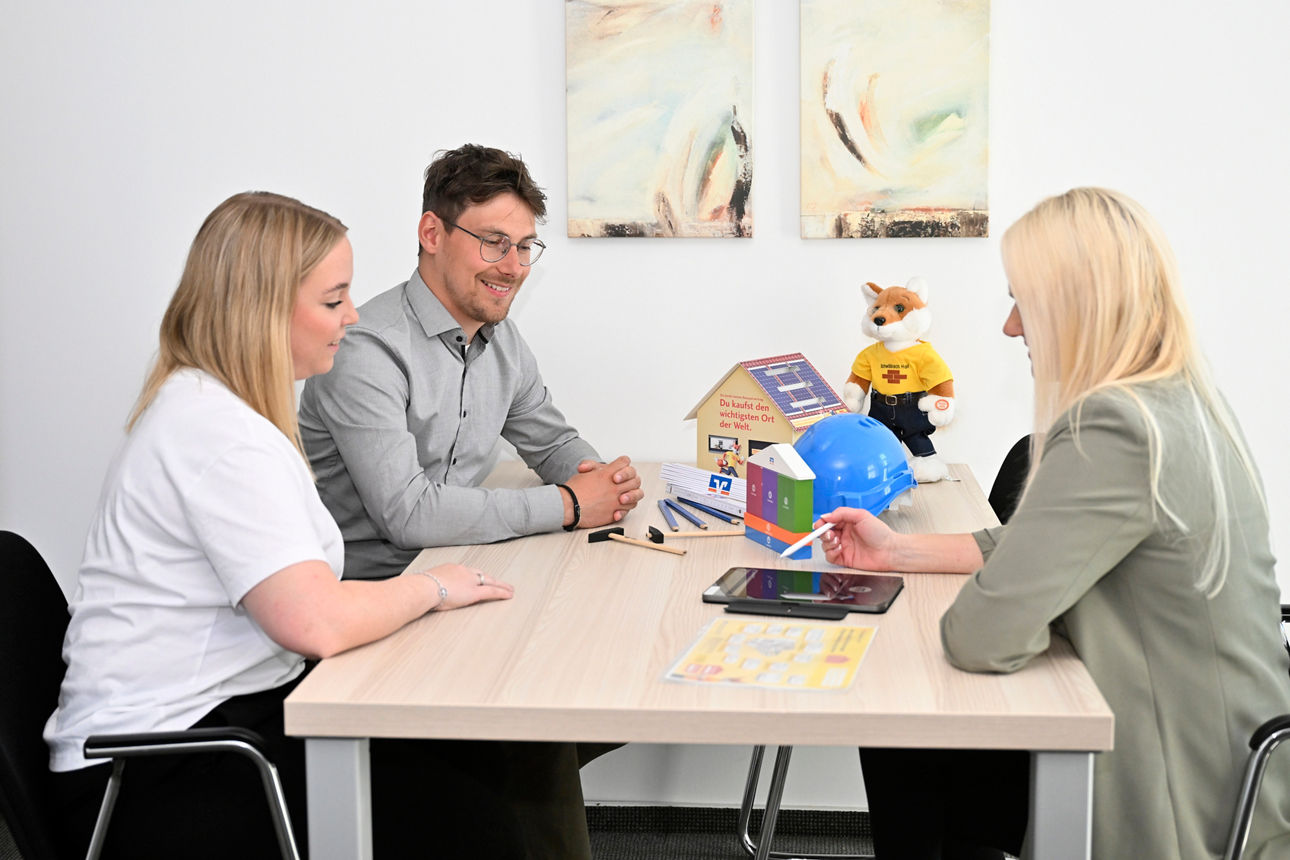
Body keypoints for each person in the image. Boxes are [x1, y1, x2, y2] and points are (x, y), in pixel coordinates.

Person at [43, 191, 589, 860]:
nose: (353, 317)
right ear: (262, 310)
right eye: (333, 301)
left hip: (223, 722)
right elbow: (317, 623)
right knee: (477, 795)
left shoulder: (221, 411)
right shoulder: (217, 436)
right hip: (155, 774)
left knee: (498, 757)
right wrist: (435, 589)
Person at [818, 188, 1290, 859]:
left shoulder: (1116, 426)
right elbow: (1042, 546)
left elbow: (980, 637)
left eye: (1022, 302)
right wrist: (898, 549)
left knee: (907, 731)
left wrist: (1003, 604)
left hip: (1176, 788)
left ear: (1077, 305)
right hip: (1235, 752)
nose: (1012, 327)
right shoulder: (1179, 400)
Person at [298, 143, 643, 582]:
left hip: (459, 567)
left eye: (524, 247)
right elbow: (408, 515)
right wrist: (570, 504)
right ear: (432, 234)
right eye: (495, 243)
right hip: (368, 594)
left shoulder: (502, 341)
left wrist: (604, 483)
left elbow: (552, 445)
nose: (514, 267)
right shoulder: (365, 349)